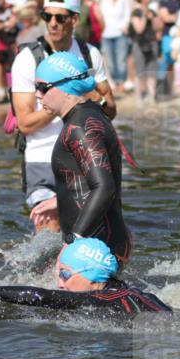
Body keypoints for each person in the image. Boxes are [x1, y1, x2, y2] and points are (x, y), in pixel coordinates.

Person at [11, 0, 115, 232]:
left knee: (90, 231)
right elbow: (24, 123)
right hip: (42, 158)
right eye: (47, 17)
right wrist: (66, 99)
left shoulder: (90, 54)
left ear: (75, 20)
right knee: (50, 234)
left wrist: (91, 100)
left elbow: (110, 109)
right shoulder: (28, 58)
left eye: (60, 18)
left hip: (85, 154)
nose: (53, 24)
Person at [33, 51, 136, 264]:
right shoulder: (91, 114)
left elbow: (104, 187)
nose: (37, 94)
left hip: (95, 247)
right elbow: (91, 176)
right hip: (103, 241)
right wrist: (62, 197)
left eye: (43, 87)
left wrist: (73, 241)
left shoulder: (80, 126)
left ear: (67, 88)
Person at [0, 238, 171, 314]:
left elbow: (41, 297)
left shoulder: (101, 299)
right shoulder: (126, 292)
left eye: (65, 274)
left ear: (90, 274)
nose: (60, 283)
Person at [97, 0, 132, 89]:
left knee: (121, 59)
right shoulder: (104, 2)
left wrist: (125, 26)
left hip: (120, 33)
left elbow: (127, 16)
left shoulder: (123, 1)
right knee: (110, 61)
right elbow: (100, 16)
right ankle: (115, 81)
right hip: (106, 34)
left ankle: (121, 81)